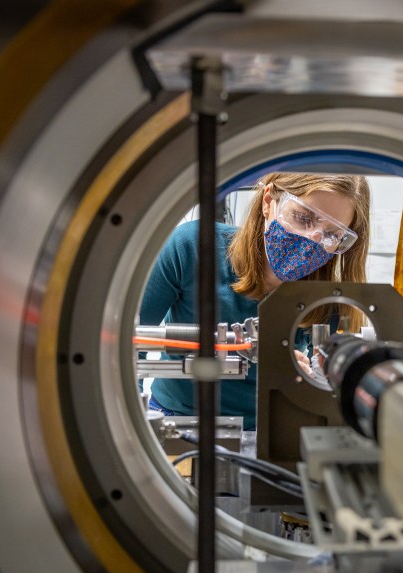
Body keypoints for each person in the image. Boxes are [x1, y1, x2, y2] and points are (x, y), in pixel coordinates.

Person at [139, 172, 371, 429]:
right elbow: (125, 342)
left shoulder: (325, 300)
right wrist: (132, 422)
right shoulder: (192, 247)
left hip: (266, 429)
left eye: (332, 235)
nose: (312, 241)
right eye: (303, 218)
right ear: (268, 201)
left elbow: (315, 387)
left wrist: (302, 382)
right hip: (175, 418)